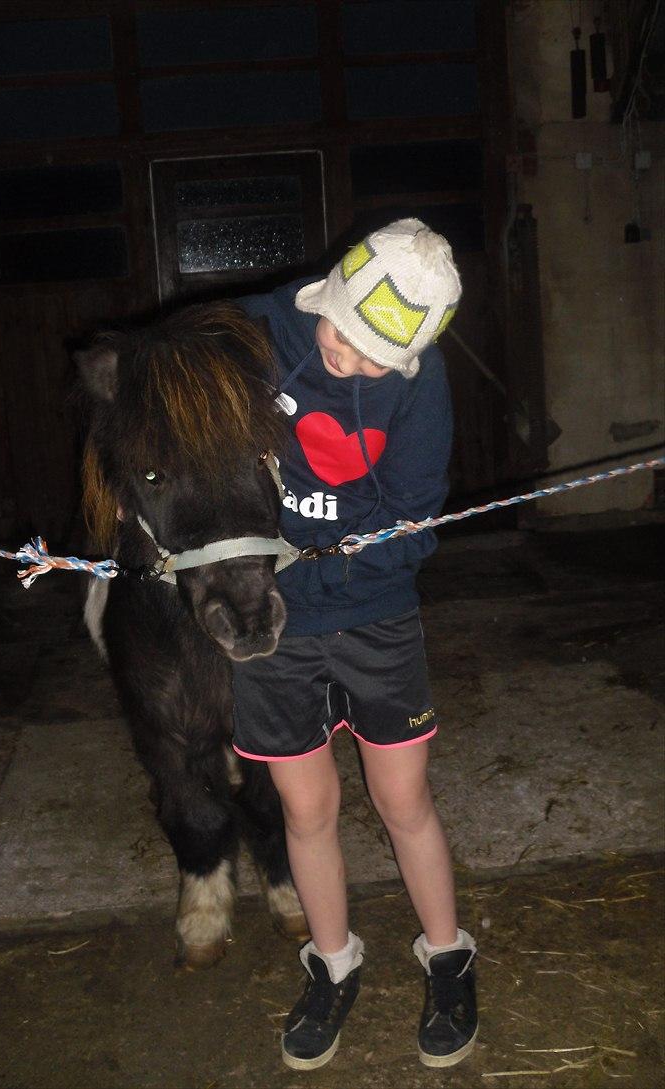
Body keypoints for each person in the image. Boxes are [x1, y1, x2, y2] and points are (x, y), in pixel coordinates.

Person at [233, 218, 478, 1071]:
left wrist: (333, 559)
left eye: (375, 359)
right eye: (341, 336)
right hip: (272, 621)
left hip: (375, 612)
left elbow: (416, 519)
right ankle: (333, 962)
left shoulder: (423, 385)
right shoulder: (260, 336)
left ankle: (448, 955)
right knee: (306, 809)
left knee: (402, 800)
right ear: (325, 300)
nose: (347, 362)